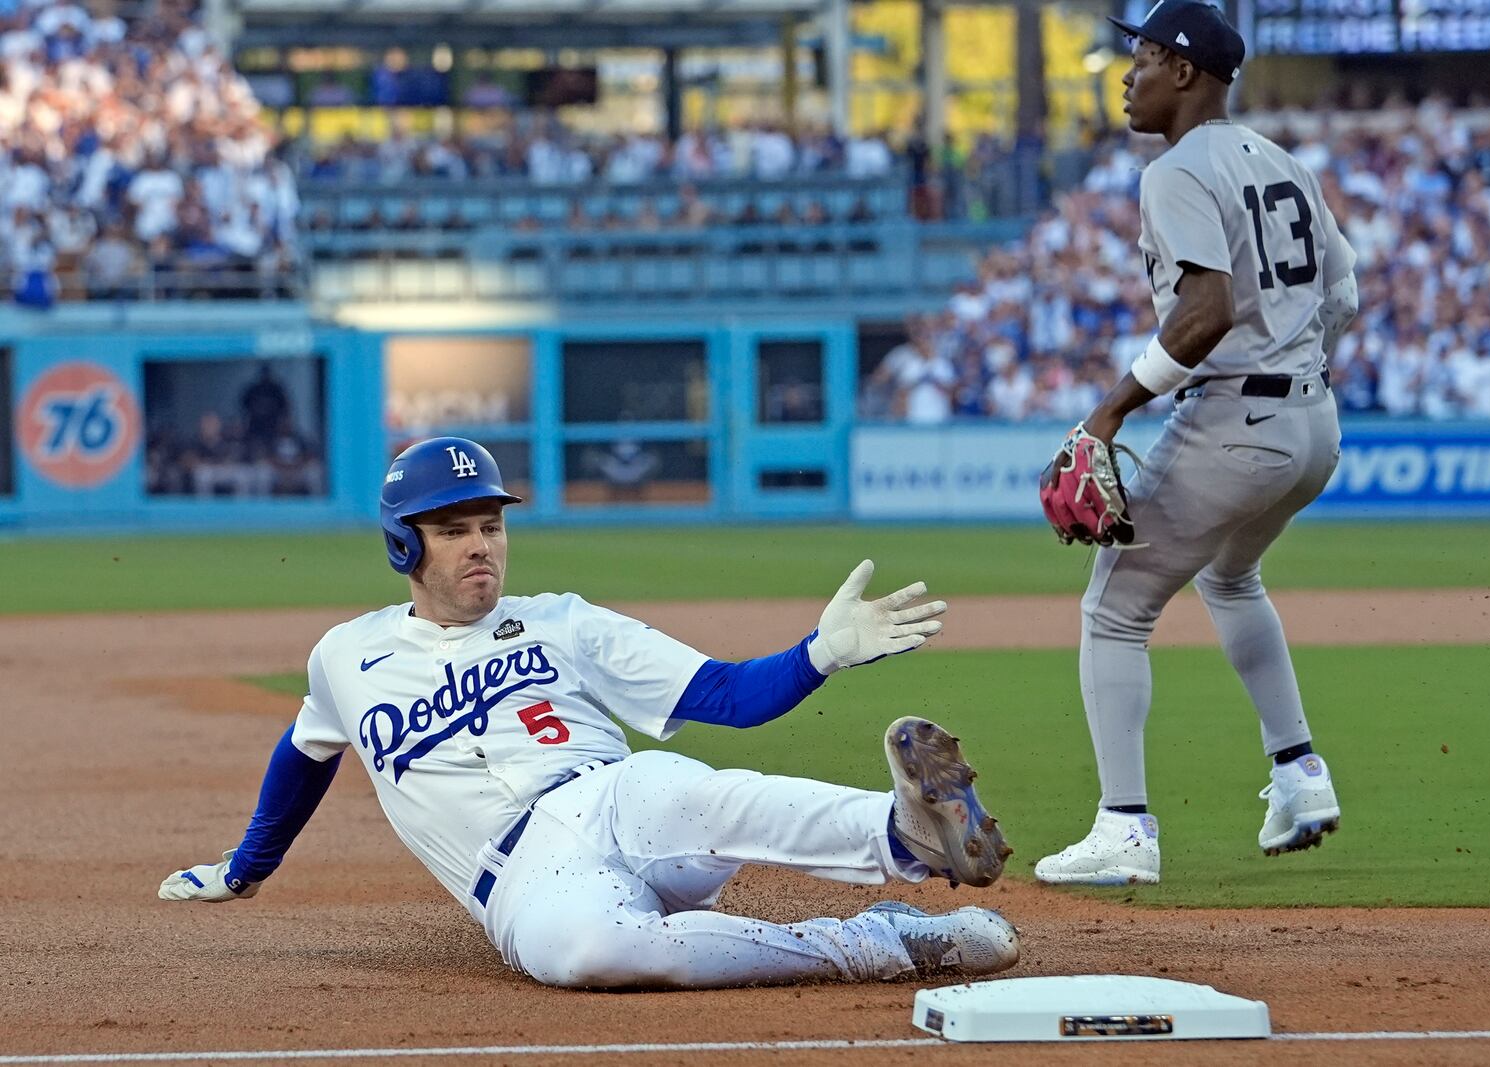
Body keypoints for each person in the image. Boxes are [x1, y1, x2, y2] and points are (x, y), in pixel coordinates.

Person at [159, 437, 1019, 989]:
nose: (482, 545)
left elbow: (729, 697)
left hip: (609, 794)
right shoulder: (346, 656)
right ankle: (879, 943)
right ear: (403, 545)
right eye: (454, 529)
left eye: (491, 525)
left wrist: (820, 651)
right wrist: (246, 865)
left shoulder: (565, 619)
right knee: (597, 955)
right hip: (521, 884)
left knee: (692, 793)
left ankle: (906, 835)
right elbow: (305, 753)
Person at [1033, 1, 1359, 886]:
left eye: (1140, 58)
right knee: (1231, 575)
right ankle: (1298, 772)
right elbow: (1345, 293)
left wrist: (1112, 409)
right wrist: (1293, 360)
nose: (1126, 77)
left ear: (1185, 72)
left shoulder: (1176, 169)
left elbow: (1206, 311)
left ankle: (1124, 828)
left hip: (1236, 421)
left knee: (1115, 610)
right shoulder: (1284, 162)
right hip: (1314, 426)